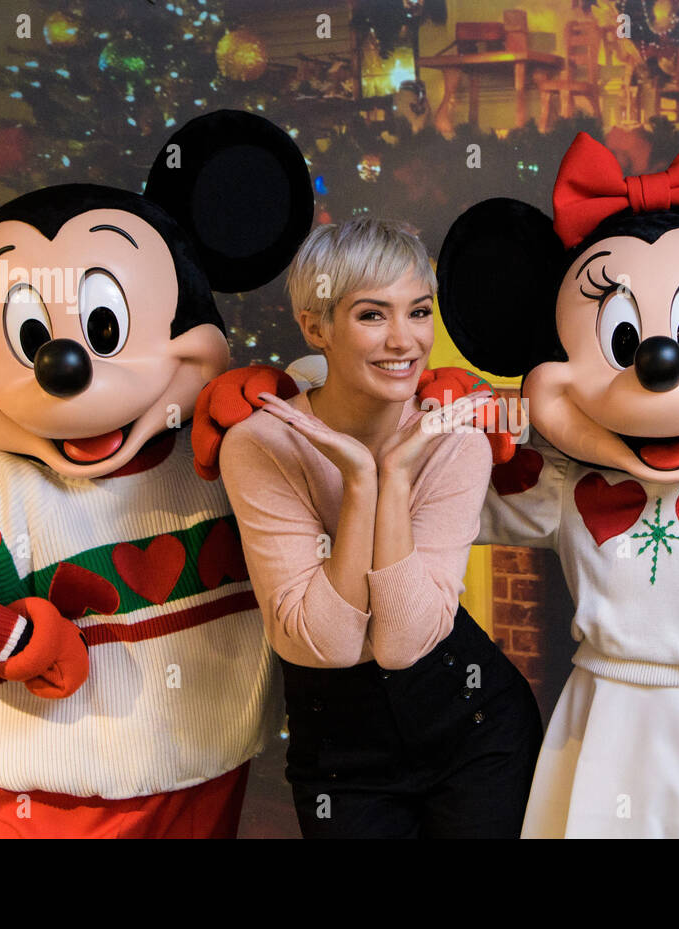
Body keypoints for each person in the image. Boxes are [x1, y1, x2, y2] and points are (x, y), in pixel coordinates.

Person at [216, 218, 543, 838]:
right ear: (316, 327)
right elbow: (328, 644)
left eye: (418, 311)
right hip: (341, 755)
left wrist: (392, 477)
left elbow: (404, 644)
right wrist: (360, 482)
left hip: (476, 730)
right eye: (372, 315)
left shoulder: (455, 440)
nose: (405, 341)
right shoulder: (260, 444)